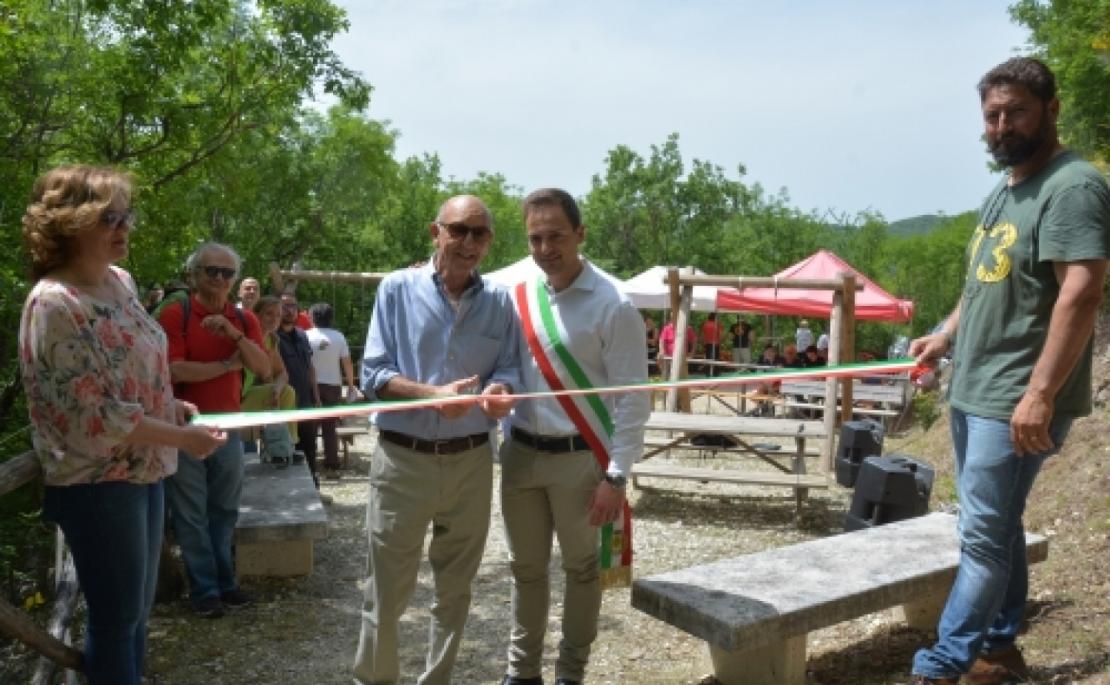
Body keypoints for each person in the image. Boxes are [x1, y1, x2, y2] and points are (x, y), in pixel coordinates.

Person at [906, 57, 1109, 685]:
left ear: (1051, 110)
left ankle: (943, 666)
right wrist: (943, 335)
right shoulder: (1006, 189)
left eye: (1015, 111)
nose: (1001, 125)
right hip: (973, 389)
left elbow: (1081, 290)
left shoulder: (1072, 187)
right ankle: (999, 648)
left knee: (983, 539)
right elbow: (981, 283)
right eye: (992, 115)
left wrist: (1041, 394)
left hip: (1014, 398)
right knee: (994, 526)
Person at [19, 165, 225, 684]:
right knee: (115, 622)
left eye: (125, 214)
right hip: (98, 483)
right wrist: (181, 436)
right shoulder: (54, 304)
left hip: (147, 467)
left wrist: (168, 406)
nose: (124, 225)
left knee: (136, 617)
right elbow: (92, 417)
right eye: (108, 217)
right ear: (69, 224)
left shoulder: (120, 282)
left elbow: (139, 372)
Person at [353, 195, 519, 685]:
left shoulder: (500, 302)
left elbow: (508, 367)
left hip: (471, 463)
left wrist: (500, 391)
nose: (469, 242)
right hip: (404, 460)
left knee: (455, 590)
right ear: (435, 232)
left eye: (480, 233)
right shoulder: (396, 290)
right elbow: (374, 374)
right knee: (386, 589)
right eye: (459, 230)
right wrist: (430, 396)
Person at [500, 188, 650, 685]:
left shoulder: (614, 303)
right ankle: (522, 674)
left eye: (556, 236)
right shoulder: (518, 286)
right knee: (526, 570)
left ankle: (570, 674)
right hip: (520, 453)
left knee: (582, 570)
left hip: (580, 458)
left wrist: (617, 474)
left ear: (581, 235)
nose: (545, 248)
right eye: (535, 238)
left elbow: (634, 398)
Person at [159, 242, 270, 618]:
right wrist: (228, 364)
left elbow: (264, 367)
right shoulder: (176, 314)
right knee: (191, 514)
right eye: (212, 271)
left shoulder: (243, 320)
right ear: (194, 275)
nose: (220, 279)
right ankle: (204, 591)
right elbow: (174, 370)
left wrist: (233, 334)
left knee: (224, 510)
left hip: (229, 428)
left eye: (228, 273)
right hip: (184, 428)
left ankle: (226, 583)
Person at [306, 302, 358, 479]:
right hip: (333, 385)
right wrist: (350, 385)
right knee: (330, 425)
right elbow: (347, 363)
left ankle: (310, 460)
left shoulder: (305, 336)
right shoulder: (339, 337)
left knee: (310, 426)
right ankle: (332, 461)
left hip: (311, 384)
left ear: (311, 317)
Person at [239, 295, 299, 450]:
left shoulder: (272, 340)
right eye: (269, 313)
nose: (274, 319)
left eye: (278, 315)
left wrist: (276, 390)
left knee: (287, 392)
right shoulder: (244, 335)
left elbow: (283, 373)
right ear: (256, 315)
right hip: (232, 400)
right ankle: (278, 446)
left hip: (247, 396)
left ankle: (287, 445)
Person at [277, 291, 321, 484]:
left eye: (293, 306)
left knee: (310, 448)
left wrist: (317, 397)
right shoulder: (271, 338)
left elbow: (310, 367)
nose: (289, 310)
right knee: (283, 450)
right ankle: (288, 492)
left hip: (306, 402)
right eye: (285, 306)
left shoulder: (303, 335)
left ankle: (313, 487)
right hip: (283, 406)